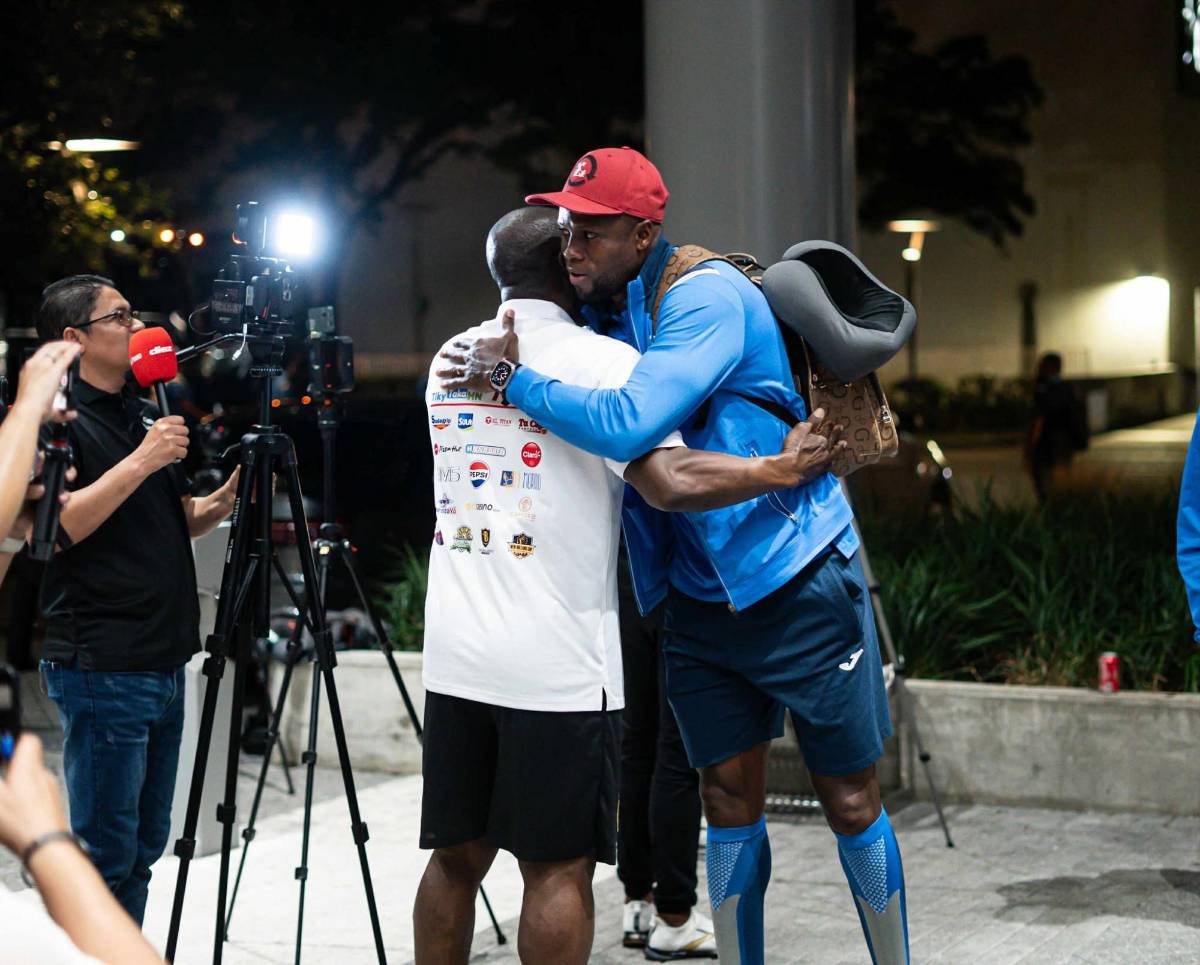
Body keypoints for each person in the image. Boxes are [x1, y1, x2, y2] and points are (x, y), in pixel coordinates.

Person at [438, 148, 907, 965]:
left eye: (592, 231)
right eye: (567, 229)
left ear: (643, 233)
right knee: (725, 799)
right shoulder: (609, 313)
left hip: (796, 576)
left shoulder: (704, 295)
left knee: (850, 798)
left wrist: (513, 379)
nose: (572, 246)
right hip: (697, 600)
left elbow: (628, 423)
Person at [33, 275, 240, 925]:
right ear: (74, 338)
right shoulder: (53, 421)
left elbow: (172, 518)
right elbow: (57, 530)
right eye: (119, 316)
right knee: (105, 855)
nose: (137, 326)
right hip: (103, 662)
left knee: (145, 847)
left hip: (165, 657)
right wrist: (143, 460)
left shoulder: (147, 411)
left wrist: (226, 500)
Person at [615, 539, 709, 960]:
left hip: (626, 570)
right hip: (678, 572)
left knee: (637, 746)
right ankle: (674, 915)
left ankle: (637, 900)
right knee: (676, 752)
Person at [1025, 352, 1087, 503]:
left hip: (1048, 444)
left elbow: (1039, 419)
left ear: (1050, 367)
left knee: (1046, 485)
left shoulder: (1045, 390)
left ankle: (1051, 509)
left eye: (1042, 366)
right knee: (1059, 481)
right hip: (1063, 443)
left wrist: (1030, 446)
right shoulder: (1068, 389)